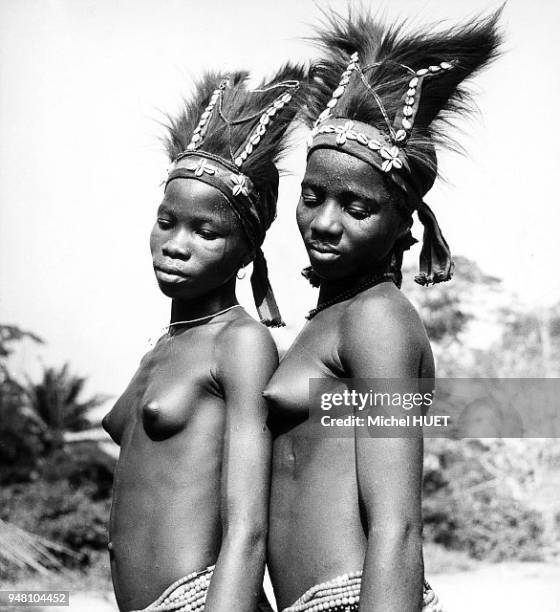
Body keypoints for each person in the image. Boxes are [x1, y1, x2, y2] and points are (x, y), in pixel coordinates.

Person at [265, 9, 501, 612]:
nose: (324, 222)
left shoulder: (377, 320)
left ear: (404, 224)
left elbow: (396, 526)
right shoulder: (331, 319)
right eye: (312, 196)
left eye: (356, 207)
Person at [102, 65, 303, 612]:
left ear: (246, 251)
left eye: (206, 231)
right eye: (167, 222)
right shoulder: (162, 348)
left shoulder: (239, 342)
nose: (176, 244)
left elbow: (247, 529)